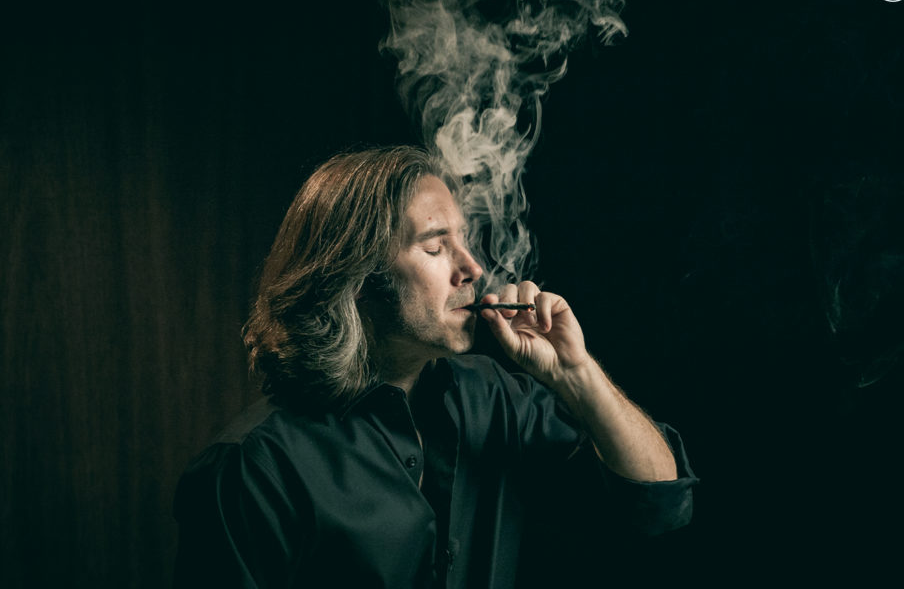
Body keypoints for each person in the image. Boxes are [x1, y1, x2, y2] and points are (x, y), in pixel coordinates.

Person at [173, 145, 698, 588]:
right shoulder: (254, 470)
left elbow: (659, 505)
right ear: (357, 275)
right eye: (435, 246)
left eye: (463, 241)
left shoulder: (494, 398)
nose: (472, 268)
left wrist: (575, 373)